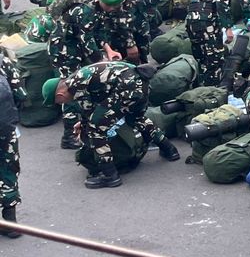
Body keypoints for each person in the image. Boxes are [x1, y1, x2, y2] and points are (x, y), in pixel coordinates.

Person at [52, 62, 181, 188]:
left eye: (59, 102)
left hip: (127, 87)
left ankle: (109, 175)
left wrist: (85, 125)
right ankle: (169, 149)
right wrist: (83, 122)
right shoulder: (79, 77)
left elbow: (90, 113)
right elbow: (95, 107)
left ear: (60, 95)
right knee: (136, 118)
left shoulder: (75, 85)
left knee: (96, 130)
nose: (62, 104)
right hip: (141, 84)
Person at [186, 0, 249, 89]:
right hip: (206, 21)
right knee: (215, 59)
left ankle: (200, 90)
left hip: (191, 20)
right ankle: (213, 91)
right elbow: (221, 3)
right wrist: (228, 28)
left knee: (202, 57)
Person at [0, 58, 20, 234]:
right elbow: (20, 94)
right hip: (5, 129)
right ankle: (11, 222)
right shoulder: (3, 61)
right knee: (8, 171)